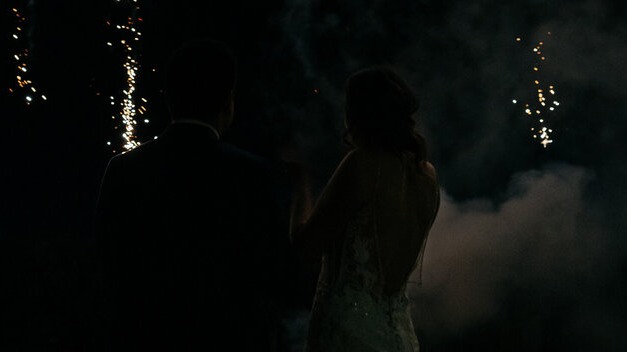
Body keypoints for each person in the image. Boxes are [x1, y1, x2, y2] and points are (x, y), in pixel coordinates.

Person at [94, 39, 289, 351]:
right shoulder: (250, 173)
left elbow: (105, 262)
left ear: (169, 98)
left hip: (141, 335)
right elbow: (272, 269)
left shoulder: (123, 168)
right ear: (228, 101)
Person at [290, 66, 440, 352]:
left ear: (358, 114)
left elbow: (305, 246)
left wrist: (300, 183)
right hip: (401, 335)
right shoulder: (426, 175)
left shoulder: (361, 164)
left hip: (348, 333)